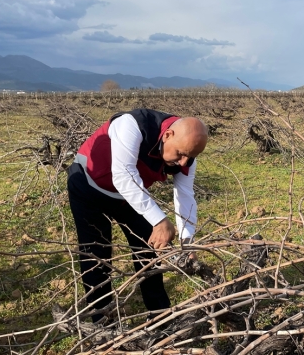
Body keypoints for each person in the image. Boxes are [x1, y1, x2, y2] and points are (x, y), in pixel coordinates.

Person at [66, 108, 208, 323]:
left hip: (128, 198)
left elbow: (185, 196)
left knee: (149, 252)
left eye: (190, 157)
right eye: (180, 154)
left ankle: (161, 319)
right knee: (96, 256)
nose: (183, 162)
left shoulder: (187, 157)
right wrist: (160, 220)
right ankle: (103, 325)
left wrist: (186, 242)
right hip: (89, 187)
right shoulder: (132, 125)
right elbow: (124, 176)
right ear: (168, 135)